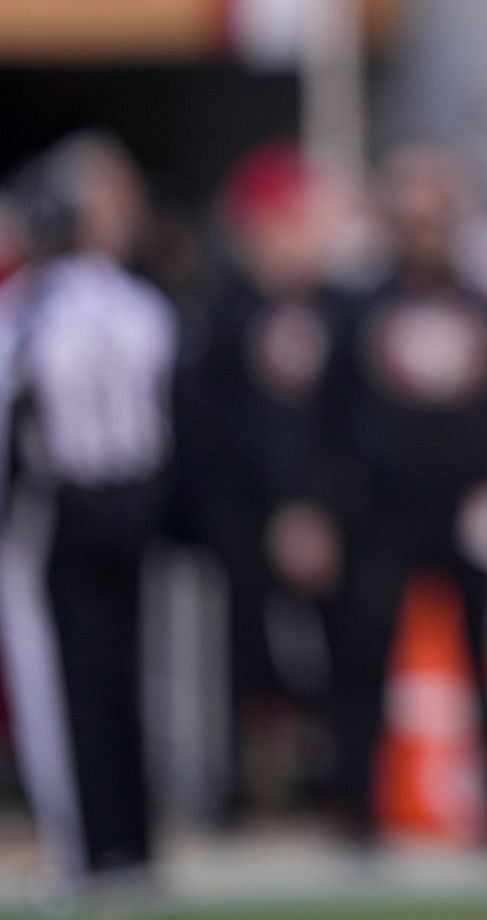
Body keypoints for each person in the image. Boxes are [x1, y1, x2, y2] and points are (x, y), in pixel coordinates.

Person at [313, 145, 487, 845]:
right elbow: (328, 416)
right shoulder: (355, 309)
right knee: (365, 661)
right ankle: (360, 812)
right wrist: (322, 509)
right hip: (379, 510)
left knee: (483, 664)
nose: (424, 228)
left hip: (466, 507)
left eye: (435, 214)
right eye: (411, 214)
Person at [0, 134, 175, 888]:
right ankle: (128, 841)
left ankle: (84, 845)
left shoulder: (35, 309)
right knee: (121, 674)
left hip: (56, 509)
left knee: (61, 680)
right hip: (126, 504)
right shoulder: (143, 305)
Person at [175, 144, 340, 818]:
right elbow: (211, 428)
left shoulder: (338, 308)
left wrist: (320, 508)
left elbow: (347, 422)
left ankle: (334, 783)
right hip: (243, 519)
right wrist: (267, 512)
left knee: (335, 653)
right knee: (241, 658)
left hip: (328, 519)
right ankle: (242, 787)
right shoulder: (221, 314)